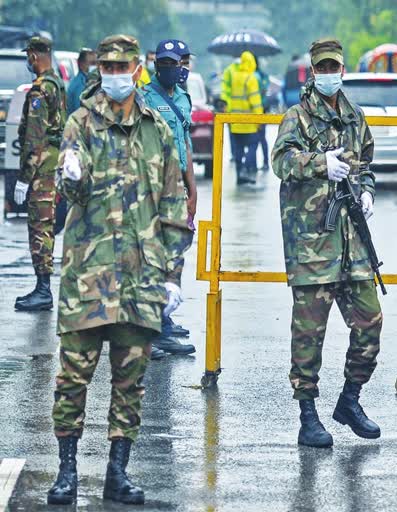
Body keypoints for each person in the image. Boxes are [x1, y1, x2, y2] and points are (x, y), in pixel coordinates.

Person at [46, 34, 192, 506]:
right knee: (73, 379)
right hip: (88, 277)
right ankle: (67, 471)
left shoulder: (158, 130)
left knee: (130, 383)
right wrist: (67, 173)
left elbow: (174, 207)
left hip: (141, 278)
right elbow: (70, 187)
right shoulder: (80, 123)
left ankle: (117, 473)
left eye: (121, 66)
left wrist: (173, 274)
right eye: (106, 66)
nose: (113, 74)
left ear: (137, 68)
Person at [272, 38, 382, 449]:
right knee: (308, 337)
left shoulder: (354, 116)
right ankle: (308, 417)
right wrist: (320, 164)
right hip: (313, 247)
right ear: (312, 72)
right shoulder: (297, 117)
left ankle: (350, 401)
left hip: (353, 247)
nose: (329, 73)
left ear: (343, 68)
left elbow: (366, 164)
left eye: (335, 66)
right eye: (322, 68)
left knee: (371, 323)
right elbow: (280, 161)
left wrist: (366, 190)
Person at [140, 39, 197, 357]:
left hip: (177, 188)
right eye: (162, 63)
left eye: (174, 63)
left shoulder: (184, 99)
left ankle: (162, 320)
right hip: (153, 188)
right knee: (153, 257)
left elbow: (185, 142)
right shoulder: (144, 97)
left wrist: (193, 190)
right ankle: (152, 330)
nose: (170, 68)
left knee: (175, 253)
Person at [13, 36, 66, 312]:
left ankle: (43, 290)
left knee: (39, 227)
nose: (28, 61)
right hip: (53, 163)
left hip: (41, 168)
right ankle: (42, 287)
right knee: (46, 226)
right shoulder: (57, 84)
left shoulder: (39, 91)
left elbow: (34, 138)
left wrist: (24, 177)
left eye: (28, 55)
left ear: (34, 55)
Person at [227, 50, 263, 184]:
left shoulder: (235, 76)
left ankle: (239, 175)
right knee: (253, 145)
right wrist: (259, 119)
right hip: (249, 123)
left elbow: (231, 97)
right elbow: (255, 101)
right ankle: (246, 170)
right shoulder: (251, 78)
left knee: (239, 149)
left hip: (235, 122)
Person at [66, 48, 96, 115]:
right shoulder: (79, 85)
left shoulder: (90, 81)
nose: (95, 67)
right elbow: (80, 113)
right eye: (92, 63)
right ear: (81, 64)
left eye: (96, 63)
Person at [253, 57, 270, 170]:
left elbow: (264, 89)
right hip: (259, 108)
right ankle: (262, 163)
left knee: (258, 137)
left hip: (259, 108)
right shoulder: (260, 75)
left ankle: (263, 162)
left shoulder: (259, 75)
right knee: (258, 138)